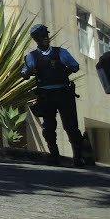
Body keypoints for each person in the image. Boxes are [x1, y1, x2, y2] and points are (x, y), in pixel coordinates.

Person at [21, 24, 83, 166]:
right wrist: (28, 72)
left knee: (71, 126)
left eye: (46, 35)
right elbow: (24, 73)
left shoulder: (60, 52)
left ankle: (78, 157)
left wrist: (62, 72)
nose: (45, 38)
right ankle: (54, 156)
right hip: (46, 95)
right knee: (48, 127)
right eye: (41, 36)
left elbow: (75, 66)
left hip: (63, 93)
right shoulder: (32, 57)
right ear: (36, 39)